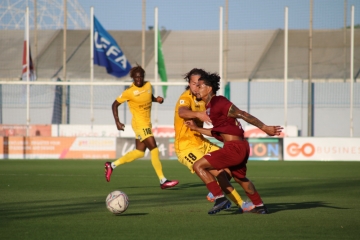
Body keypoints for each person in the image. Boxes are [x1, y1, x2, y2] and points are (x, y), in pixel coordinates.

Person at [186, 72, 282, 214]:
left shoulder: (219, 101)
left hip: (234, 148)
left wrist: (264, 127)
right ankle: (260, 206)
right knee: (240, 178)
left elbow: (241, 114)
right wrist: (196, 128)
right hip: (239, 146)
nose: (196, 89)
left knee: (198, 166)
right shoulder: (210, 107)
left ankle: (220, 198)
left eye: (200, 86)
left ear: (209, 88)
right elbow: (216, 132)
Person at [174, 68, 254, 213]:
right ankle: (234, 202)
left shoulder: (206, 99)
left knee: (229, 169)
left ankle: (215, 191)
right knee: (216, 171)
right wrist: (199, 115)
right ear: (189, 84)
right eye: (193, 84)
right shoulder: (186, 97)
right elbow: (182, 112)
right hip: (186, 147)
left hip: (202, 142)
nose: (196, 87)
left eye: (199, 84)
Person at [104, 64, 179, 190]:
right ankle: (162, 180)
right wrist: (117, 121)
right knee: (154, 149)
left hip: (147, 123)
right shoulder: (129, 92)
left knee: (139, 152)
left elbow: (148, 97)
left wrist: (157, 99)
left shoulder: (148, 85)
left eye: (141, 77)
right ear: (133, 78)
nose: (139, 79)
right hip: (139, 124)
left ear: (143, 77)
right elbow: (114, 105)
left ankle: (112, 165)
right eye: (136, 77)